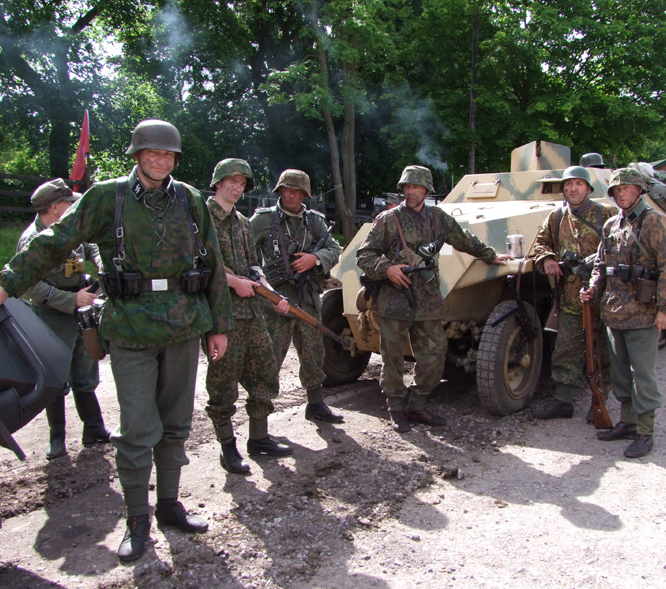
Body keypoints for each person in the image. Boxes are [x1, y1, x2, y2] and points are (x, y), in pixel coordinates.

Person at [0, 120, 233, 562]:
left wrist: (219, 325)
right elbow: (55, 241)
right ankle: (137, 520)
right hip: (130, 329)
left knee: (175, 425)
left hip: (185, 327)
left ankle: (169, 505)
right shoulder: (106, 197)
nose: (160, 160)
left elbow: (214, 263)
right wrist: (7, 285)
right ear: (136, 154)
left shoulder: (189, 200)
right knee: (136, 432)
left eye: (168, 155)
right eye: (152, 153)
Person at [356, 165, 512, 433]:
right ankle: (396, 407)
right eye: (407, 187)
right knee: (392, 358)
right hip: (394, 299)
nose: (410, 192)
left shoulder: (438, 218)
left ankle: (417, 405)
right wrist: (388, 269)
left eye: (416, 187)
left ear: (427, 190)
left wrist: (489, 255)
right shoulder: (388, 220)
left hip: (427, 299)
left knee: (435, 355)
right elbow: (364, 255)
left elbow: (463, 239)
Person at [580, 167, 666, 458]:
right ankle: (627, 423)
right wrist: (592, 288)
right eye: (617, 190)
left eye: (627, 188)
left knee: (643, 375)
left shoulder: (655, 222)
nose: (622, 193)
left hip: (644, 313)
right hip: (614, 312)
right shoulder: (612, 224)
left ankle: (645, 432)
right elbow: (602, 264)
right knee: (621, 373)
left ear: (639, 191)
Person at [204, 158, 294, 474]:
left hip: (252, 311)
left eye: (242, 183)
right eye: (232, 181)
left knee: (265, 370)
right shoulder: (201, 219)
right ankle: (228, 448)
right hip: (221, 313)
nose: (237, 187)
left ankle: (259, 438)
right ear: (218, 182)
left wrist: (270, 292)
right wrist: (234, 282)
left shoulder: (243, 222)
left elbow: (254, 266)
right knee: (223, 381)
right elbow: (199, 265)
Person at [18, 179, 110, 459]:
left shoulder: (70, 229)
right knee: (56, 377)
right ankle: (57, 438)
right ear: (55, 207)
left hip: (81, 309)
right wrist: (71, 300)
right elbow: (30, 286)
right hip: (52, 315)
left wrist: (102, 262)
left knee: (85, 371)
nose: (74, 207)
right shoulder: (32, 240)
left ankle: (93, 429)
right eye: (70, 203)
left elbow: (91, 245)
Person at [249, 169, 344, 425]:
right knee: (269, 360)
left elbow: (335, 248)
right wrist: (258, 284)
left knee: (314, 355)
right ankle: (259, 423)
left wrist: (316, 258)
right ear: (280, 191)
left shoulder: (315, 222)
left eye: (297, 191)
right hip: (274, 303)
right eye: (287, 190)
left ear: (305, 194)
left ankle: (315, 404)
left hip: (308, 300)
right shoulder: (262, 220)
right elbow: (244, 252)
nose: (291, 195)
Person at [531, 166, 617, 422]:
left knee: (603, 353)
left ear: (588, 188)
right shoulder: (556, 217)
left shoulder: (607, 214)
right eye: (568, 185)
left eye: (578, 184)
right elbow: (540, 242)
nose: (572, 189)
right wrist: (546, 258)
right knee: (565, 350)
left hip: (602, 298)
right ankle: (562, 401)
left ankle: (600, 400)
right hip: (570, 297)